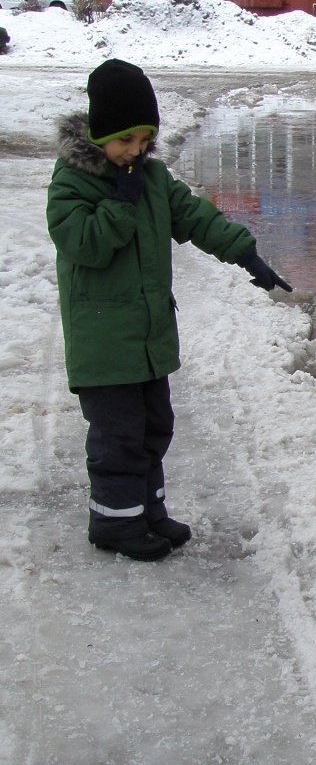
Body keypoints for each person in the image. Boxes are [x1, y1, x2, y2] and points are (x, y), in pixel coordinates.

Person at [46, 58, 292, 562]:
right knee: (117, 437)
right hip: (103, 341)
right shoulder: (71, 185)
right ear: (98, 135)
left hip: (149, 338)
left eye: (143, 139)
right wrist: (122, 202)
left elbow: (196, 217)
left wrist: (245, 253)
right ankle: (114, 524)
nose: (135, 151)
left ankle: (146, 511)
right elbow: (86, 243)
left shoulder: (151, 178)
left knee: (154, 427)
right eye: (124, 141)